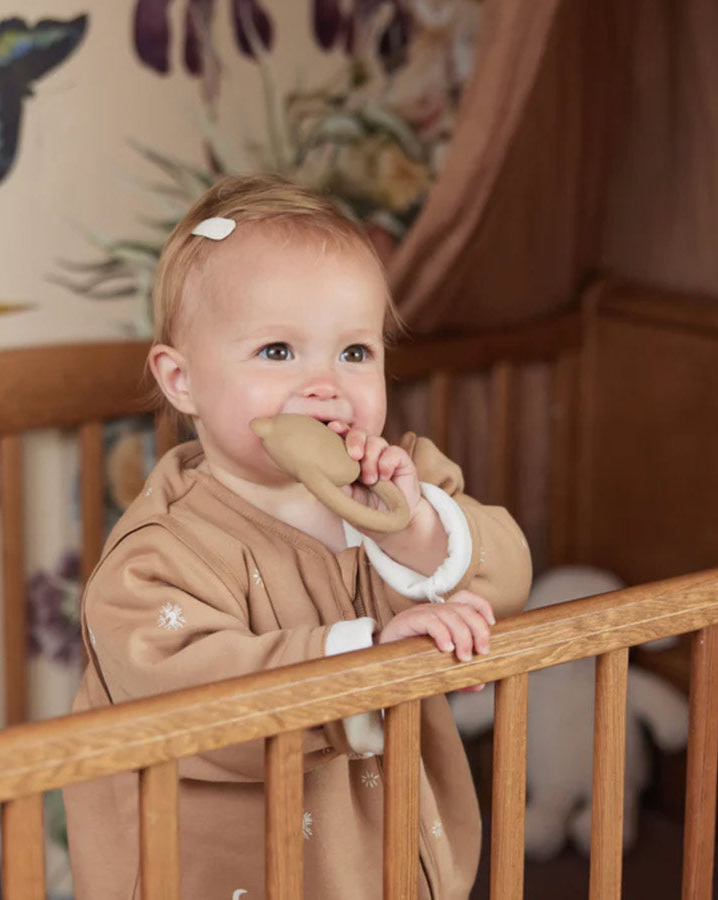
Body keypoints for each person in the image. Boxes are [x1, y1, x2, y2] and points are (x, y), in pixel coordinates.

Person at [63, 173, 532, 900]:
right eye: (278, 352)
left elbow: (509, 572)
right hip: (238, 875)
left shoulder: (403, 485)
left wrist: (414, 530)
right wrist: (367, 657)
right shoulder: (160, 553)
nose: (326, 384)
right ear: (181, 381)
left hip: (392, 857)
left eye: (354, 352)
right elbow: (188, 700)